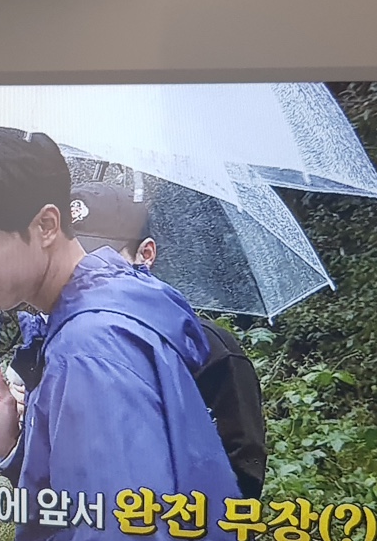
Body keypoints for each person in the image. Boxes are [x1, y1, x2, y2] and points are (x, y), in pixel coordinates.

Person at [0, 126, 256, 541]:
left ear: (46, 225)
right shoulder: (105, 309)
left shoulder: (91, 349)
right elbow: (87, 501)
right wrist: (12, 444)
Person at [69, 181, 268, 499]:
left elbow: (240, 483)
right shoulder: (62, 352)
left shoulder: (209, 352)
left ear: (145, 254)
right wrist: (14, 440)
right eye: (72, 261)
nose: (81, 274)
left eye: (99, 258)